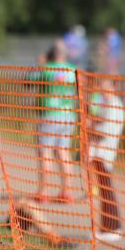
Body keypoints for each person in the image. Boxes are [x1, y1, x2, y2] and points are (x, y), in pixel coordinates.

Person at [32, 40, 79, 203]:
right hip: (67, 115)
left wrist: (40, 63)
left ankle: (43, 192)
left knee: (45, 152)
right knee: (63, 151)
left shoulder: (45, 69)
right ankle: (67, 191)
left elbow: (27, 81)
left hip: (48, 115)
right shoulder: (72, 70)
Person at [86, 80, 125, 242]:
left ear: (113, 88)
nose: (102, 88)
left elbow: (106, 131)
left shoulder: (114, 105)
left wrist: (90, 128)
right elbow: (101, 124)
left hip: (105, 152)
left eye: (106, 85)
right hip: (99, 152)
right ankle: (107, 227)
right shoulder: (107, 104)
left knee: (107, 190)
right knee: (104, 190)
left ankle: (113, 227)